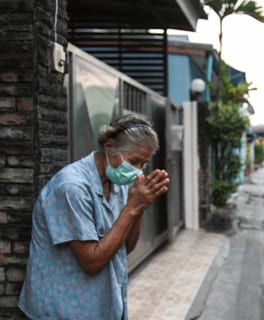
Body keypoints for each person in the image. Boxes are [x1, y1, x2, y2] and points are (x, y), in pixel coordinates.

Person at [19, 114, 170, 319]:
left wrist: (138, 206)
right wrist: (132, 208)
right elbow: (92, 262)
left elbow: (125, 247)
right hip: (60, 311)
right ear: (109, 147)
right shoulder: (72, 188)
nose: (137, 171)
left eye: (143, 164)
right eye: (134, 161)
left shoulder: (116, 184)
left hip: (100, 308)